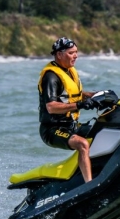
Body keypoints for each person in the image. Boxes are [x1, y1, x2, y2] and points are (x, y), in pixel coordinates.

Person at [38, 37, 96, 183]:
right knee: (82, 144)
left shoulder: (70, 71)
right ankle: (89, 184)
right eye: (71, 53)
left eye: (76, 52)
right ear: (59, 54)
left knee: (101, 130)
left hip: (71, 125)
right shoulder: (51, 76)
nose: (75, 56)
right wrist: (79, 105)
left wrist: (96, 96)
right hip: (52, 129)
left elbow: (72, 94)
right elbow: (51, 107)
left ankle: (100, 170)